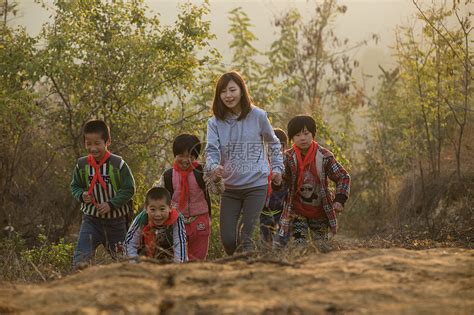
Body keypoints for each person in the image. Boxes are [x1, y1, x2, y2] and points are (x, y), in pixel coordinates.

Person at [205, 70, 284, 255]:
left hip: (256, 185)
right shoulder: (214, 122)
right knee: (229, 240)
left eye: (232, 90)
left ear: (242, 90)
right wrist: (213, 167)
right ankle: (238, 268)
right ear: (218, 95)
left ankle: (249, 275)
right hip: (230, 189)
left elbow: (274, 143)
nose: (228, 95)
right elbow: (211, 151)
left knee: (245, 236)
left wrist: (278, 168)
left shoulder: (258, 116)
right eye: (223, 91)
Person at [275, 115, 350, 249]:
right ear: (292, 138)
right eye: (297, 135)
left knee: (322, 246)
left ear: (313, 134)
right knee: (299, 245)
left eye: (306, 133)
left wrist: (340, 199)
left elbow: (343, 176)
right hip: (297, 210)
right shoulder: (287, 158)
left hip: (320, 210)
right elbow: (282, 182)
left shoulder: (325, 156)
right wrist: (277, 183)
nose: (302, 138)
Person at [70, 119, 135, 267]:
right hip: (91, 220)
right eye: (89, 143)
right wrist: (81, 195)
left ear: (108, 141)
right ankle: (79, 285)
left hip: (116, 222)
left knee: (124, 261)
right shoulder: (81, 165)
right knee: (81, 258)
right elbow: (75, 186)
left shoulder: (118, 164)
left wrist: (111, 204)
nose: (93, 148)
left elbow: (129, 189)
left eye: (97, 143)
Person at [157, 134, 211, 261]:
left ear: (195, 156)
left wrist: (217, 179)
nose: (186, 160)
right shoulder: (168, 176)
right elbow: (157, 195)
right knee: (179, 259)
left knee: (197, 260)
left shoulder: (202, 172)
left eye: (190, 156)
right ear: (175, 155)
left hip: (200, 220)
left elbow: (218, 190)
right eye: (181, 156)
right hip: (176, 221)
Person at [124, 187, 187, 263]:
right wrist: (134, 264)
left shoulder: (177, 219)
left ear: (170, 207)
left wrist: (178, 265)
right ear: (146, 208)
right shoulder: (142, 219)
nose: (157, 214)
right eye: (153, 209)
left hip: (170, 255)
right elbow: (130, 242)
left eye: (162, 209)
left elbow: (180, 243)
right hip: (145, 256)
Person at [259, 128, 289, 246]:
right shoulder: (261, 163)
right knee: (265, 235)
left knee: (282, 236)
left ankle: (282, 253)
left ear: (285, 146)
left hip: (282, 207)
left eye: (278, 146)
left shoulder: (288, 162)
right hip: (265, 207)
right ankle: (266, 256)